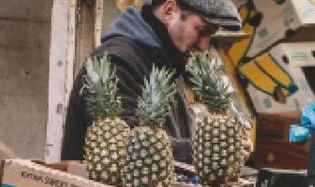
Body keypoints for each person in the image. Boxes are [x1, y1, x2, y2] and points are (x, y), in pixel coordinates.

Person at [61, 0, 241, 165]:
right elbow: (125, 147)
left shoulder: (168, 60)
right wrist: (206, 151)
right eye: (201, 31)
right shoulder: (116, 61)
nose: (204, 46)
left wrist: (223, 144)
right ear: (170, 11)